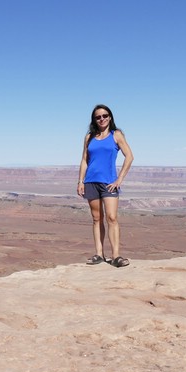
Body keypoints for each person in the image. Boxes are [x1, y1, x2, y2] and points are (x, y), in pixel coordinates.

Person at [77, 104, 135, 267]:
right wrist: (80, 181)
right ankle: (99, 254)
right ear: (94, 120)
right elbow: (84, 160)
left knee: (111, 217)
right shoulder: (89, 137)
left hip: (109, 183)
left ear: (110, 117)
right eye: (98, 117)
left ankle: (116, 255)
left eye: (105, 116)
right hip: (91, 181)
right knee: (97, 219)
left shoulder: (116, 135)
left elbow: (129, 156)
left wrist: (119, 180)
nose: (101, 119)